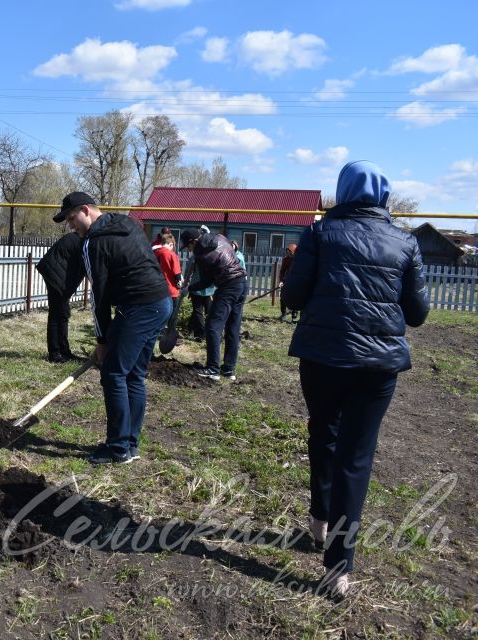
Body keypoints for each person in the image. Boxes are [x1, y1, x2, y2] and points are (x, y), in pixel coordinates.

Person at [281, 161, 429, 598]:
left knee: (323, 432)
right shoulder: (405, 242)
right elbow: (418, 313)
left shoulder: (319, 233)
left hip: (322, 358)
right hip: (377, 367)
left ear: (342, 192)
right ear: (385, 196)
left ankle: (319, 519)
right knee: (356, 458)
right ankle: (338, 568)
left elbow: (291, 295)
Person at [54, 192, 172, 464]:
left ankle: (118, 448)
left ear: (86, 210)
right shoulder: (127, 223)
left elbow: (99, 294)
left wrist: (102, 339)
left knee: (113, 374)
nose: (72, 226)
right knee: (134, 375)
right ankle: (130, 444)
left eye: (72, 219)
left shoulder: (92, 243)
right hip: (160, 302)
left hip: (139, 307)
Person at [181, 227, 247, 382]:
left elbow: (206, 282)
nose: (189, 250)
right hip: (242, 283)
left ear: (194, 241)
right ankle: (229, 369)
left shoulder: (202, 254)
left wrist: (189, 288)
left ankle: (213, 369)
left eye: (188, 246)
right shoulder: (219, 238)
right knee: (233, 327)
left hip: (228, 286)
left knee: (213, 326)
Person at [37, 231, 85, 363]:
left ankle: (64, 351)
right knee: (57, 314)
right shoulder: (84, 239)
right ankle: (55, 354)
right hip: (54, 273)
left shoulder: (84, 237)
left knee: (62, 313)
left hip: (56, 272)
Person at [152, 232, 182, 339]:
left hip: (156, 288)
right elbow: (177, 274)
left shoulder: (154, 253)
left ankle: (157, 331)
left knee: (158, 311)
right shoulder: (171, 255)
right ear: (171, 244)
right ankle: (169, 334)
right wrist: (180, 285)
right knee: (172, 313)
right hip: (171, 289)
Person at [277, 244, 298, 322]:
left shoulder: (298, 260)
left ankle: (294, 315)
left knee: (295, 298)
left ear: (293, 252)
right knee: (283, 297)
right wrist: (281, 281)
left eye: (290, 252)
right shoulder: (286, 259)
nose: (288, 253)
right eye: (287, 252)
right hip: (286, 281)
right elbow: (282, 271)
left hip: (295, 282)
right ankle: (283, 314)